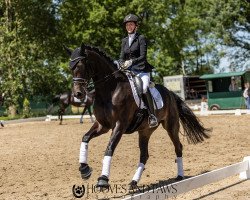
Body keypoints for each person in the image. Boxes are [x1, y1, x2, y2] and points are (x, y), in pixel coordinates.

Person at [119, 13, 158, 128]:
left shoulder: (141, 38)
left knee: (144, 89)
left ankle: (152, 115)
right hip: (128, 71)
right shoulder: (124, 40)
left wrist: (131, 62)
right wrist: (121, 63)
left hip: (141, 70)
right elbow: (121, 56)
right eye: (127, 25)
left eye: (131, 25)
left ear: (136, 26)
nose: (129, 27)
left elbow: (143, 56)